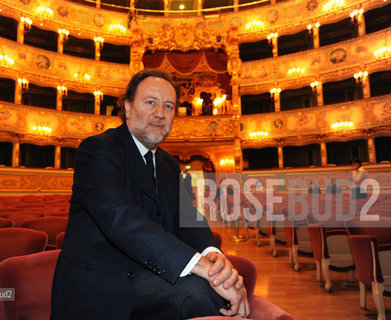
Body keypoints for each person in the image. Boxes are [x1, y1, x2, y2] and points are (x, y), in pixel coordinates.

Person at [51, 69, 249, 320]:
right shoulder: (97, 150)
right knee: (199, 293)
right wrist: (201, 267)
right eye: (151, 102)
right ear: (128, 108)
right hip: (103, 282)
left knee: (216, 286)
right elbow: (123, 222)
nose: (160, 113)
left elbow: (187, 218)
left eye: (169, 106)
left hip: (150, 273)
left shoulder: (168, 163)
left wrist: (215, 259)